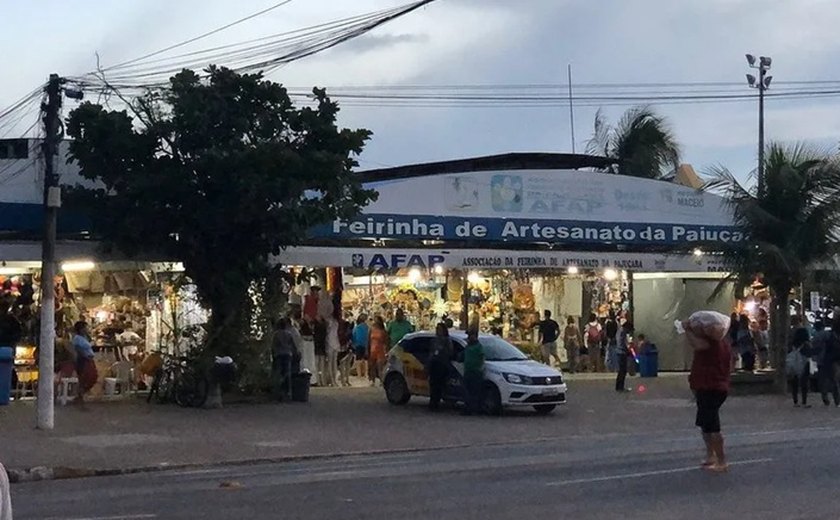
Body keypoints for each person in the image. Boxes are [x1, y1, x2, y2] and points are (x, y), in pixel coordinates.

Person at [684, 315, 732, 473]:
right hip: (709, 386)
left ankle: (721, 460)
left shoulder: (712, 344)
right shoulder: (723, 344)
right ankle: (710, 455)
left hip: (712, 387)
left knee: (712, 426)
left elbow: (698, 345)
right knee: (705, 424)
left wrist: (687, 330)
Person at [814, 318, 840, 407]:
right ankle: (837, 400)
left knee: (823, 380)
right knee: (834, 380)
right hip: (832, 359)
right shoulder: (831, 335)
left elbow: (815, 348)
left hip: (822, 360)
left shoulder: (817, 336)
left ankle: (825, 398)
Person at [427, 322, 453, 411]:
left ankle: (437, 403)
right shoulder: (434, 340)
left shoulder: (447, 340)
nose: (438, 331)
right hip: (434, 364)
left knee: (439, 385)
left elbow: (450, 352)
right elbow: (431, 352)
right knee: (433, 385)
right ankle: (432, 403)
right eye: (437, 329)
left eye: (440, 329)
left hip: (442, 365)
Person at [271, 318, 299, 401]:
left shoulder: (276, 334)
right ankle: (287, 393)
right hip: (287, 354)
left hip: (278, 354)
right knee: (287, 373)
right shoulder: (289, 334)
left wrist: (273, 355)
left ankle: (278, 392)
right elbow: (293, 345)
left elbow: (273, 346)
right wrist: (295, 353)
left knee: (278, 373)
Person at [72, 321, 97, 406]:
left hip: (88, 359)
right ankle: (80, 396)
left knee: (91, 377)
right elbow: (78, 349)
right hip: (83, 359)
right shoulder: (77, 338)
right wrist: (85, 356)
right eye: (86, 328)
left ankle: (80, 396)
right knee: (86, 377)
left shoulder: (84, 338)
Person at [786, 327, 812, 408]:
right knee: (804, 383)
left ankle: (795, 401)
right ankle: (804, 401)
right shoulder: (806, 344)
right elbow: (809, 354)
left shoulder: (793, 344)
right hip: (805, 364)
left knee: (795, 383)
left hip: (794, 364)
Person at [462, 329, 485, 416]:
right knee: (467, 391)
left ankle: (475, 409)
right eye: (468, 335)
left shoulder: (478, 346)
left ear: (475, 336)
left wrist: (480, 368)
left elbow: (482, 357)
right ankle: (467, 408)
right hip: (467, 371)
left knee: (474, 392)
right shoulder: (468, 346)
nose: (469, 337)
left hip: (475, 371)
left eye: (471, 335)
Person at [368, 316, 389, 387]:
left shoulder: (383, 331)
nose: (375, 322)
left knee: (380, 366)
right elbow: (368, 340)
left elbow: (386, 341)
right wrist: (367, 349)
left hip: (380, 349)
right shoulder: (371, 329)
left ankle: (381, 380)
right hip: (372, 349)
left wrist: (387, 350)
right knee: (372, 366)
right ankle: (372, 380)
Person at [615, 321, 633, 392]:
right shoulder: (623, 332)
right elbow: (621, 343)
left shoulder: (620, 330)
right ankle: (620, 387)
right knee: (623, 370)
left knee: (621, 370)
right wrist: (627, 350)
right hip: (622, 352)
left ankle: (618, 386)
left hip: (619, 352)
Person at [337, 314, 354, 387]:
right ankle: (345, 380)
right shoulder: (348, 331)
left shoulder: (341, 332)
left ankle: (345, 380)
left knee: (344, 365)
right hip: (348, 348)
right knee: (346, 365)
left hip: (345, 348)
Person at [352, 314, 370, 380]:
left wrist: (354, 343)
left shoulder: (356, 327)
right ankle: (366, 374)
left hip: (358, 345)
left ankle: (359, 375)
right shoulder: (367, 327)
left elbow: (353, 335)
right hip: (366, 345)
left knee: (358, 360)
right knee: (365, 360)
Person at [313, 317, 328, 387]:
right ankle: (323, 381)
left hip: (316, 346)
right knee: (322, 366)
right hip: (322, 347)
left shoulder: (315, 327)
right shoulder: (324, 328)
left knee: (317, 365)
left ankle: (318, 381)